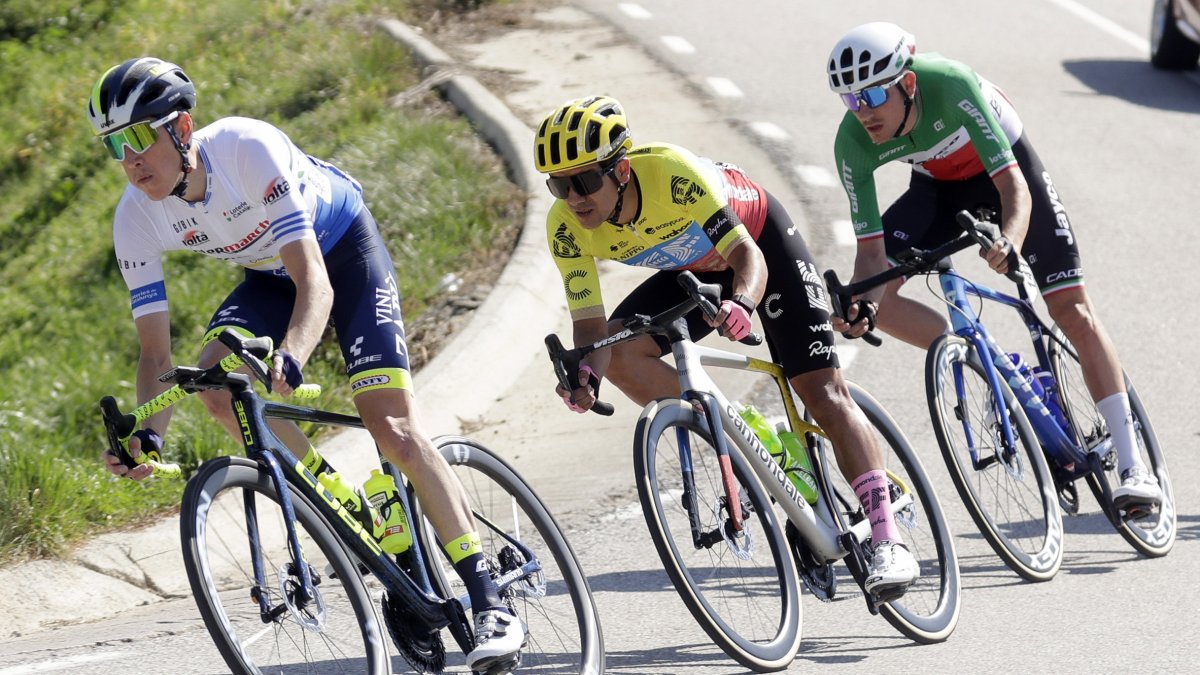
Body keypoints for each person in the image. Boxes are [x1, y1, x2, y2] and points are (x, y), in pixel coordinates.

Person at [88, 57, 522, 672]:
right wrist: (148, 435)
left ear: (182, 129)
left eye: (136, 138)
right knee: (216, 385)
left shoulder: (246, 149)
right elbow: (157, 354)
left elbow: (313, 277)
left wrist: (292, 354)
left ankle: (488, 599)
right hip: (268, 277)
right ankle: (350, 505)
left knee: (391, 428)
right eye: (114, 146)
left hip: (341, 251)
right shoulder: (134, 216)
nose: (129, 161)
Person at [534, 95, 919, 597]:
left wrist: (741, 303)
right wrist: (586, 374)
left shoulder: (670, 173)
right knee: (622, 352)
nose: (573, 197)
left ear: (622, 170)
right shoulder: (564, 228)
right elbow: (590, 325)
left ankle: (889, 538)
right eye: (558, 185)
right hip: (689, 268)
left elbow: (746, 256)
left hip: (759, 246)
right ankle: (749, 438)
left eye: (584, 181)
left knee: (821, 391)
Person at [825, 23, 1162, 511]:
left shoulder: (952, 84)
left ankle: (1135, 467)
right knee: (870, 290)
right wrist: (862, 307)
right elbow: (871, 254)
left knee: (1072, 310)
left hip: (1007, 175)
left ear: (909, 84)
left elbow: (1013, 188)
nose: (865, 112)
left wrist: (1010, 240)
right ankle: (980, 359)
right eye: (851, 100)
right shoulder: (852, 143)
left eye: (874, 94)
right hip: (938, 190)